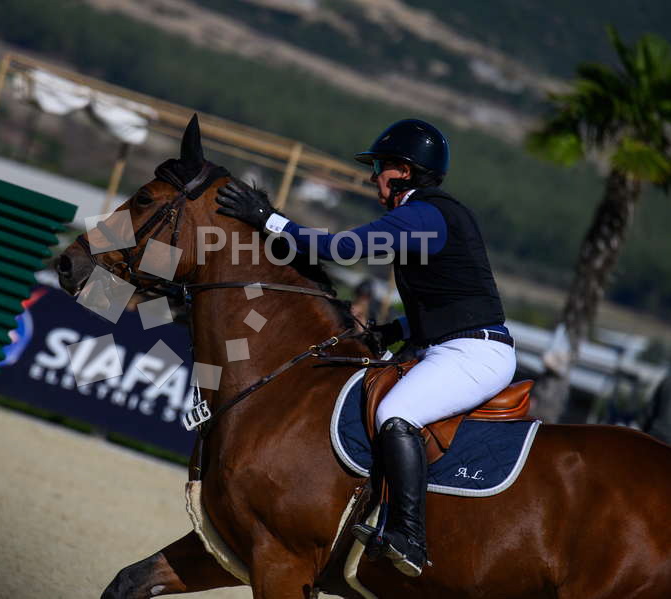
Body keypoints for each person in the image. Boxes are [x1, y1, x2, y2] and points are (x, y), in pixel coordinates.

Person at [215, 119, 516, 577]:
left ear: (404, 171)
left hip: (472, 353)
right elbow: (451, 298)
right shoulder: (431, 214)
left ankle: (409, 536)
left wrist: (267, 219)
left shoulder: (423, 215)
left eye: (379, 168)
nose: (373, 177)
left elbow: (342, 249)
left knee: (396, 413)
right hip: (447, 344)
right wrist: (395, 329)